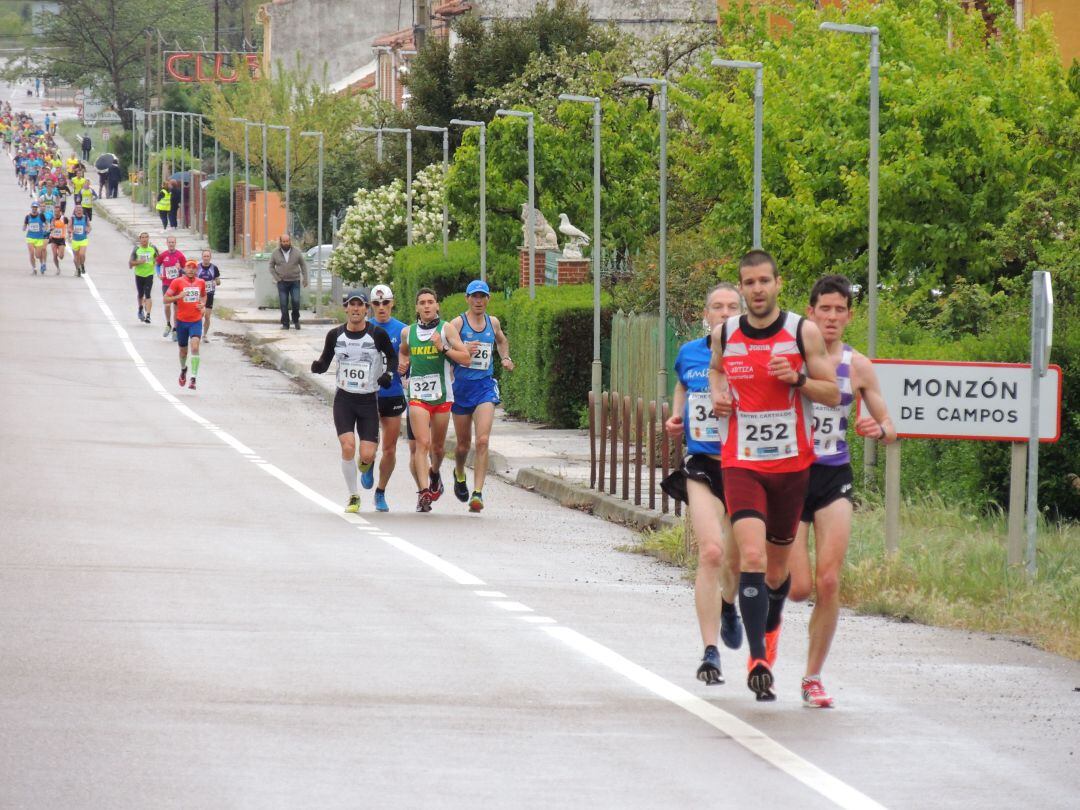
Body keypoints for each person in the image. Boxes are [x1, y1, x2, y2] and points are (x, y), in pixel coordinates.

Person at [708, 249, 839, 702]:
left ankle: (766, 638)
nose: (758, 290)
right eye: (749, 283)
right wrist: (719, 393)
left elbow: (834, 393)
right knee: (751, 556)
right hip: (741, 462)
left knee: (778, 573)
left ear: (778, 284)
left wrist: (798, 380)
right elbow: (715, 371)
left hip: (791, 468)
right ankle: (759, 659)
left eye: (765, 281)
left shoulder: (801, 332)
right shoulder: (725, 333)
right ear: (741, 288)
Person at [788, 275, 896, 708]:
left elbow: (890, 428)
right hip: (791, 476)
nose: (831, 317)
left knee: (828, 581)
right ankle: (769, 620)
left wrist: (879, 428)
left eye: (840, 310)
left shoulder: (859, 365)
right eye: (824, 309)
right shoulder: (792, 357)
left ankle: (812, 676)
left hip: (834, 475)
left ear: (849, 316)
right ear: (810, 313)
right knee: (797, 588)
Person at [661, 283, 746, 685]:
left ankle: (729, 604)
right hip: (702, 464)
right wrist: (677, 416)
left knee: (738, 559)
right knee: (711, 552)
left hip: (746, 468)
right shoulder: (689, 353)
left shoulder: (754, 354)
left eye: (733, 307)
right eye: (718, 307)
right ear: (706, 314)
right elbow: (682, 383)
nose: (725, 313)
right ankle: (710, 652)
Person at [310, 291, 397, 513]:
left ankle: (366, 466)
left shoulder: (377, 334)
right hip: (344, 399)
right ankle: (353, 495)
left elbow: (393, 358)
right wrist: (318, 367)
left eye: (360, 305)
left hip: (368, 401)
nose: (356, 309)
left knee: (367, 454)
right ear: (346, 308)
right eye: (352, 305)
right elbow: (325, 359)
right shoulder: (335, 335)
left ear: (366, 309)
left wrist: (388, 375)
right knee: (348, 446)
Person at [397, 288, 472, 513]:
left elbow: (466, 358)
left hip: (442, 396)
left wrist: (443, 347)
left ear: (437, 305)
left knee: (437, 449)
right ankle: (423, 494)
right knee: (423, 444)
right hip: (418, 396)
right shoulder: (407, 332)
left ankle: (434, 473)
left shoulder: (446, 329)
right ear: (417, 308)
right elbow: (403, 351)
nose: (427, 306)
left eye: (431, 302)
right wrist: (403, 365)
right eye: (422, 302)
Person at [450, 279, 514, 513]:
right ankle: (458, 472)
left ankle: (477, 493)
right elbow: (444, 350)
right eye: (474, 297)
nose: (478, 301)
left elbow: (501, 340)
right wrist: (463, 352)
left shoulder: (492, 322)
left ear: (488, 299)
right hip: (461, 390)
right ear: (467, 298)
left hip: (485, 388)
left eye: (482, 297)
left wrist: (505, 358)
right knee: (463, 445)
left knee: (483, 440)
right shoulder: (458, 323)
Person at [368, 283, 414, 512]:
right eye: (376, 303)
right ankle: (367, 463)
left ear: (392, 303)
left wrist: (407, 366)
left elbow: (414, 358)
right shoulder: (364, 329)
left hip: (394, 393)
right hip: (369, 394)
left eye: (385, 302)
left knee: (390, 448)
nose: (381, 307)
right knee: (370, 443)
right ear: (370, 306)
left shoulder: (404, 330)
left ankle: (381, 491)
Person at [163, 261, 207, 390]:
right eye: (189, 267)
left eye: (194, 268)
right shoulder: (177, 282)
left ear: (197, 270)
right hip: (181, 321)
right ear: (185, 269)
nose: (191, 270)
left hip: (196, 320)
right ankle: (183, 369)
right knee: (183, 352)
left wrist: (202, 305)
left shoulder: (201, 282)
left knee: (194, 346)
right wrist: (178, 296)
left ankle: (193, 378)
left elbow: (204, 296)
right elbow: (165, 299)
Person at [268, 234, 309, 330]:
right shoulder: (275, 253)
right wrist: (277, 278)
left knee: (296, 301)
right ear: (280, 242)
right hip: (282, 282)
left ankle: (296, 320)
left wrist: (305, 278)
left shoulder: (297, 252)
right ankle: (285, 323)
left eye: (287, 241)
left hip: (295, 281)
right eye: (284, 241)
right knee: (283, 303)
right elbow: (271, 266)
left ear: (290, 241)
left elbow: (303, 265)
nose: (286, 243)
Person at [156, 236, 186, 340]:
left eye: (173, 242)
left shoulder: (180, 256)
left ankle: (175, 329)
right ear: (167, 243)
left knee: (176, 309)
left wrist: (180, 269)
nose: (171, 244)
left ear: (175, 243)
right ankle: (168, 324)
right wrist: (158, 274)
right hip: (166, 284)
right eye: (170, 242)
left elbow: (186, 271)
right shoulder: (163, 255)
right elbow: (157, 264)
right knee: (167, 305)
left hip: (177, 284)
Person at [129, 232, 159, 323]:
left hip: (149, 274)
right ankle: (140, 308)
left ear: (148, 238)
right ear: (140, 239)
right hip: (139, 275)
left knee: (148, 294)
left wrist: (155, 263)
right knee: (141, 294)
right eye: (142, 237)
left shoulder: (153, 248)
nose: (144, 239)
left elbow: (158, 259)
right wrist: (139, 262)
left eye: (146, 237)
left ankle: (148, 315)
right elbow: (130, 263)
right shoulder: (137, 249)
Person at [195, 250, 221, 341]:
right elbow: (192, 279)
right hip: (199, 295)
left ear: (210, 257)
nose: (206, 258)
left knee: (207, 316)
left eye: (207, 256)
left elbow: (218, 282)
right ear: (202, 257)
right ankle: (196, 333)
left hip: (209, 294)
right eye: (204, 256)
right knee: (199, 315)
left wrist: (215, 282)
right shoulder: (197, 267)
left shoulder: (214, 268)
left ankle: (204, 335)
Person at [23, 200, 47, 275]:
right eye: (33, 207)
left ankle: (42, 264)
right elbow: (25, 224)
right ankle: (34, 268)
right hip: (30, 237)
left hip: (39, 237)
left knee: (38, 255)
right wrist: (24, 228)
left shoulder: (41, 216)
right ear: (31, 208)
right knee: (31, 253)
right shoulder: (27, 216)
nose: (34, 209)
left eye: (36, 207)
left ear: (37, 208)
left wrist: (45, 228)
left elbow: (46, 224)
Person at [68, 204, 91, 277]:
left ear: (82, 210)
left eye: (80, 209)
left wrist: (88, 230)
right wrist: (71, 231)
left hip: (83, 239)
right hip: (75, 240)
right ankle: (77, 269)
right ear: (75, 211)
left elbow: (89, 226)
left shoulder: (85, 218)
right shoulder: (72, 218)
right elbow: (69, 228)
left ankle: (82, 265)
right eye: (77, 209)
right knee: (76, 258)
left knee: (82, 254)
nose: (79, 210)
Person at [46, 209, 68, 274]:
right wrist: (51, 229)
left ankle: (60, 253)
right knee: (55, 255)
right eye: (55, 212)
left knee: (61, 256)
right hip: (54, 239)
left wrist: (69, 233)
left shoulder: (64, 218)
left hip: (61, 239)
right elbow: (51, 226)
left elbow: (70, 224)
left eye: (57, 212)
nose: (56, 213)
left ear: (60, 212)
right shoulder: (52, 219)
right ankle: (58, 268)